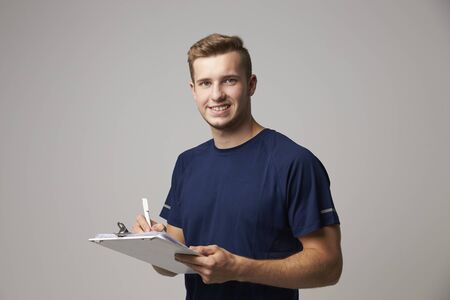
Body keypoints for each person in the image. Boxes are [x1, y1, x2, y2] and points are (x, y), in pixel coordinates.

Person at [132, 33, 342, 300]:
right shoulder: (187, 163)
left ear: (251, 84)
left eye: (229, 80)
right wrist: (154, 243)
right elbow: (171, 266)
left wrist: (239, 268)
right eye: (205, 83)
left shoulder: (294, 162)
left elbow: (329, 266)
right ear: (193, 90)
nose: (217, 94)